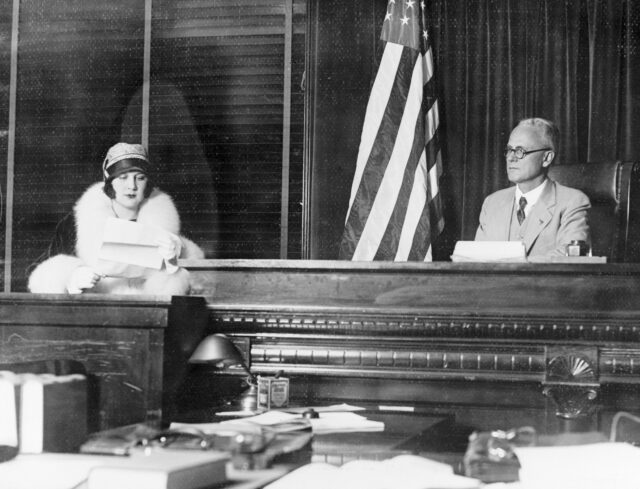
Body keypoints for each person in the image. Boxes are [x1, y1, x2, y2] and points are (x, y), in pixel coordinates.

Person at [28, 142, 204, 295]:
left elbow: (203, 281)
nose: (132, 186)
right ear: (108, 179)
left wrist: (178, 256)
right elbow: (40, 275)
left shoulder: (169, 222)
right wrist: (70, 277)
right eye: (123, 177)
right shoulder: (74, 223)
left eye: (140, 178)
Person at [475, 118, 591, 258]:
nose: (511, 158)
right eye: (509, 150)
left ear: (546, 158)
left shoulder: (573, 202)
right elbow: (477, 259)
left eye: (520, 151)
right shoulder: (492, 203)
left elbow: (571, 258)